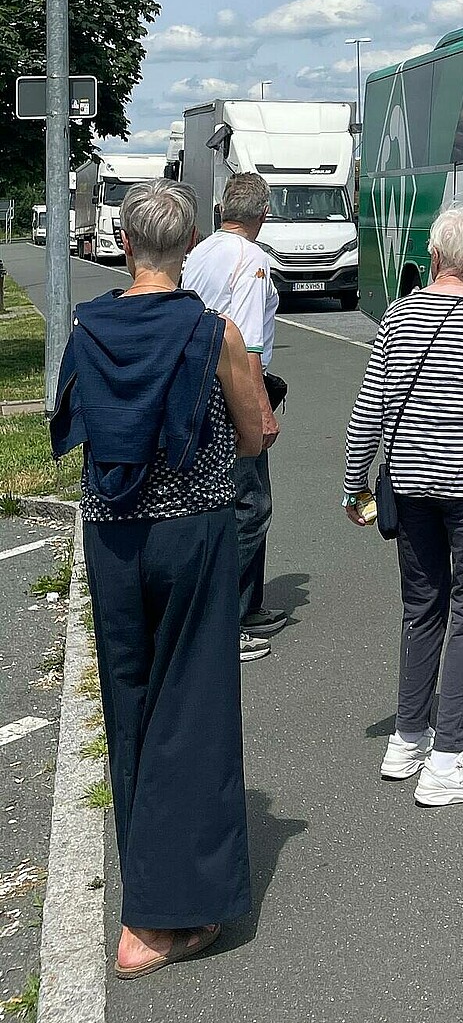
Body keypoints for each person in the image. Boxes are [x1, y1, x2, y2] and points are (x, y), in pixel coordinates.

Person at [50, 179, 263, 978]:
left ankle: (143, 894)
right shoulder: (213, 332)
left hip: (112, 534)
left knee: (130, 701)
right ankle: (167, 914)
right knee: (193, 708)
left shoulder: (87, 326)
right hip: (192, 530)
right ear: (190, 245)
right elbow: (256, 433)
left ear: (126, 244)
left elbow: (80, 418)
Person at [344, 205, 463, 806]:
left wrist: (355, 482)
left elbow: (369, 406)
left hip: (409, 484)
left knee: (421, 606)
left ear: (433, 254)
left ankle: (407, 738)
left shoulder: (397, 315)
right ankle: (449, 757)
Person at [181, 173, 285, 661]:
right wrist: (261, 412)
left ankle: (247, 605)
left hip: (200, 388)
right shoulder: (252, 260)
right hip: (233, 392)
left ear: (224, 209)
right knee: (251, 505)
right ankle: (223, 620)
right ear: (263, 214)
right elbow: (247, 346)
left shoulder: (200, 253)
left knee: (228, 499)